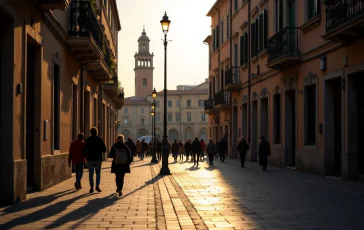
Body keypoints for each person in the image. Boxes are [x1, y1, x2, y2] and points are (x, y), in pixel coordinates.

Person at [83, 127, 106, 193]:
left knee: (91, 173)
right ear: (96, 132)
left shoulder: (88, 139)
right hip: (98, 159)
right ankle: (97, 186)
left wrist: (87, 155)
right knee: (98, 173)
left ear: (90, 132)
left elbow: (84, 150)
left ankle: (91, 187)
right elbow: (104, 150)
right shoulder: (100, 139)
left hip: (90, 159)